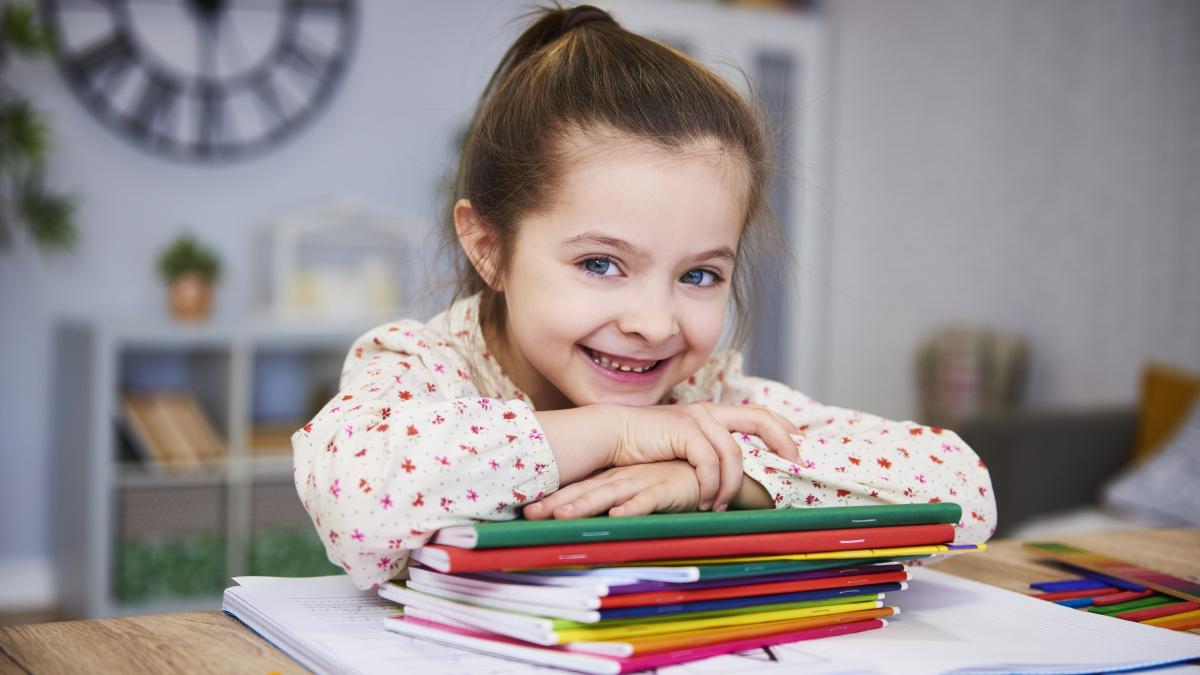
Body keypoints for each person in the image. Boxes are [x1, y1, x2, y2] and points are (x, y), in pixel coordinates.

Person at [293, 4, 997, 591]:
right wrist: (616, 434)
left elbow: (964, 493)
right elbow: (354, 501)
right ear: (488, 246)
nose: (655, 323)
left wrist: (725, 475)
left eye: (699, 275)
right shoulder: (424, 366)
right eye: (602, 263)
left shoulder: (703, 396)